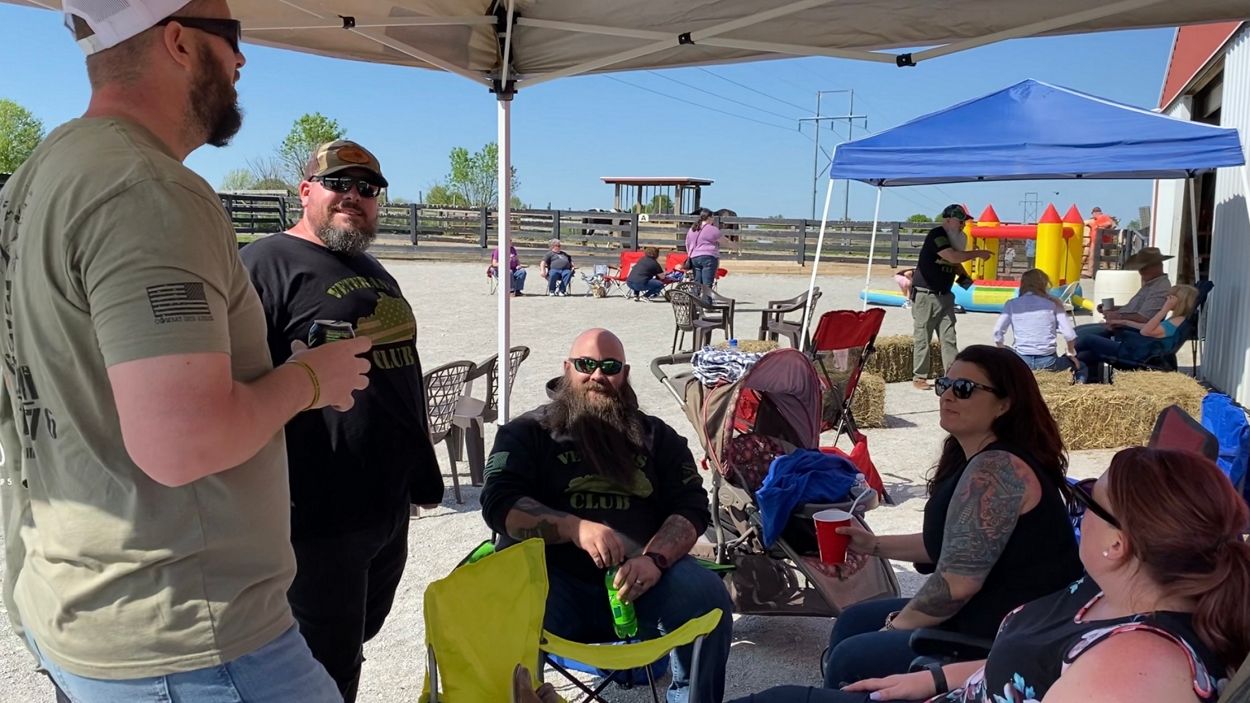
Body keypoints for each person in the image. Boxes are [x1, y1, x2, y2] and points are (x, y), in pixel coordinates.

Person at [0, 2, 371, 700]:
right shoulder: (147, 190)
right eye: (230, 37)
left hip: (74, 601)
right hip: (188, 637)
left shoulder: (37, 177)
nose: (241, 60)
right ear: (176, 40)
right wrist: (309, 380)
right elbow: (183, 441)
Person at [731, 447, 1247, 703]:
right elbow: (1032, 668)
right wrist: (932, 679)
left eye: (1089, 498)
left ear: (1119, 544)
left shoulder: (1134, 669)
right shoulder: (1114, 587)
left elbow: (960, 580)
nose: (1078, 507)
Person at [240, 140, 444, 701]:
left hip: (387, 505)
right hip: (317, 514)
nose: (354, 195)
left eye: (368, 188)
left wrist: (418, 476)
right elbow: (236, 385)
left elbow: (398, 376)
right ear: (306, 191)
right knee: (321, 670)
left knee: (357, 637)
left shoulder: (373, 270)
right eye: (339, 183)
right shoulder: (263, 265)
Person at [481, 328, 733, 703]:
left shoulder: (658, 437)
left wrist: (655, 560)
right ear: (567, 368)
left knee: (708, 596)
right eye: (586, 364)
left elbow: (691, 506)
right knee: (493, 600)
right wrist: (574, 528)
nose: (597, 375)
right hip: (553, 586)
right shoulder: (527, 433)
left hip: (644, 584)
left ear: (624, 374)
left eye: (610, 366)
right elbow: (499, 503)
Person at [819, 345, 1082, 689]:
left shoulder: (997, 470)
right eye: (944, 385)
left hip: (1012, 635)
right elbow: (956, 543)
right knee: (853, 621)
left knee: (852, 656)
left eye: (964, 388)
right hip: (992, 612)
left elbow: (956, 586)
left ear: (1005, 404)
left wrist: (893, 627)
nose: (947, 396)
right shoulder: (973, 457)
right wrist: (873, 545)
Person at [910, 205, 993, 390]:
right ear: (948, 220)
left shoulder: (954, 240)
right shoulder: (937, 235)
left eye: (964, 222)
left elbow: (954, 264)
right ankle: (919, 377)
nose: (963, 225)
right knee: (923, 337)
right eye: (960, 221)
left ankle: (952, 375)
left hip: (946, 296)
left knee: (949, 338)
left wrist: (966, 283)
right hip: (926, 295)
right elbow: (952, 257)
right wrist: (978, 254)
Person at [1075, 284, 1198, 383]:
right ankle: (1080, 375)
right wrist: (1123, 322)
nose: (1166, 298)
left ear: (1179, 301)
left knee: (1089, 339)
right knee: (1088, 354)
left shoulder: (1175, 322)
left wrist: (1164, 309)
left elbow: (1145, 331)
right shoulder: (1179, 320)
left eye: (1170, 297)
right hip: (1141, 351)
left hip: (1138, 355)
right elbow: (1147, 327)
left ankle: (1067, 357)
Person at [1076, 246, 1173, 339]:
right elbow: (1134, 309)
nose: (1141, 272)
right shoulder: (1152, 284)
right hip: (1123, 326)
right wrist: (1113, 309)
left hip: (1129, 331)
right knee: (1077, 331)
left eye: (1143, 268)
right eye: (1140, 268)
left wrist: (1118, 316)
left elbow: (1145, 318)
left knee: (1079, 335)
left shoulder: (1160, 288)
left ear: (1157, 266)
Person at [992, 269, 1077, 372]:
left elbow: (997, 332)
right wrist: (1070, 353)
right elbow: (1069, 335)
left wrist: (1001, 347)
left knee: (1006, 350)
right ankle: (1080, 379)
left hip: (1022, 360)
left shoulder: (1011, 304)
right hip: (1048, 361)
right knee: (1081, 366)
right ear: (1044, 284)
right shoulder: (1053, 304)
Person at [685, 208, 724, 289]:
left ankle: (695, 295)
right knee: (707, 284)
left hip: (694, 257)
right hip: (708, 257)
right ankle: (706, 297)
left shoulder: (692, 229)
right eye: (712, 217)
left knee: (697, 282)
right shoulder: (712, 229)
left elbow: (687, 243)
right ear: (709, 218)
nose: (713, 219)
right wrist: (736, 246)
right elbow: (724, 241)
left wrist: (690, 254)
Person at [1083, 206, 1119, 277]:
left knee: (1103, 257)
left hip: (1102, 241)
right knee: (1093, 256)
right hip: (1095, 240)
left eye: (1093, 213)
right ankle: (1091, 272)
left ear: (1095, 213)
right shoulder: (1094, 220)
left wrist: (1099, 226)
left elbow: (1110, 224)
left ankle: (1104, 272)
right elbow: (1084, 222)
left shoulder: (1104, 217)